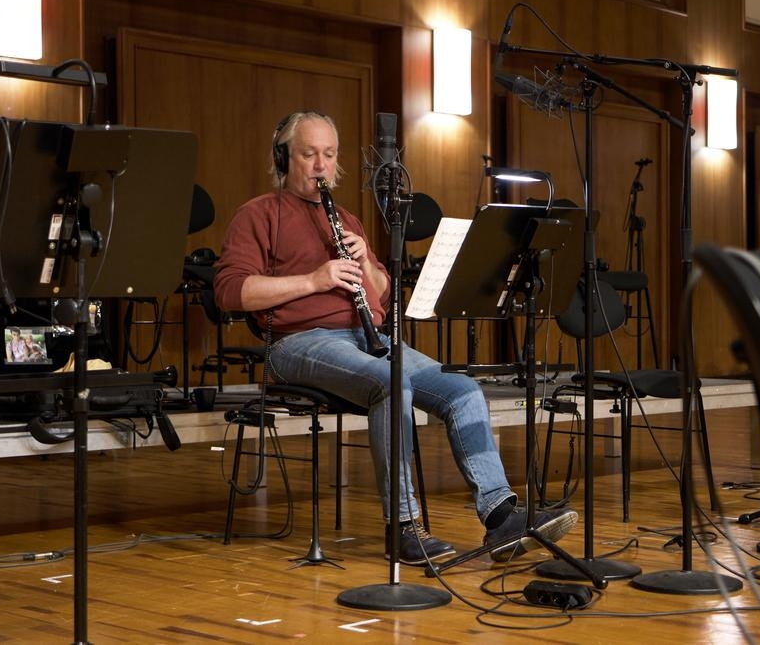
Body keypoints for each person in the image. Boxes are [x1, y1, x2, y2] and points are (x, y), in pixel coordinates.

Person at [213, 110, 578, 565]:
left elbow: (383, 295)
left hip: (367, 337)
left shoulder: (346, 219)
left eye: (329, 154)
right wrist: (313, 280)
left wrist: (366, 264)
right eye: (309, 154)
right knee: (392, 382)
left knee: (464, 390)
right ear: (284, 157)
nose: (321, 165)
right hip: (297, 342)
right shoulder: (258, 213)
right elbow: (231, 292)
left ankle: (501, 515)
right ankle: (403, 526)